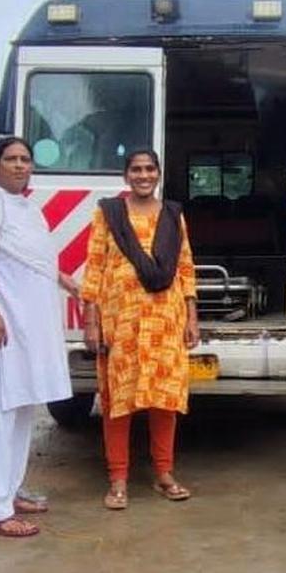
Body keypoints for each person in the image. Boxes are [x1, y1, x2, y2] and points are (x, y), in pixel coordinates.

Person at [0, 137, 78, 538]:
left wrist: (63, 279)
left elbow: (28, 256)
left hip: (29, 327)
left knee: (22, 407)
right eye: (12, 159)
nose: (20, 166)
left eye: (26, 160)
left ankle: (10, 491)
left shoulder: (24, 206)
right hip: (2, 325)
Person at [80, 148, 199, 510]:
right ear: (126, 175)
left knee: (165, 399)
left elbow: (185, 266)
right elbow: (95, 266)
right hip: (122, 323)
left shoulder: (173, 215)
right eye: (136, 169)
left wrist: (192, 316)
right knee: (119, 402)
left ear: (158, 174)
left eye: (149, 169)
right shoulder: (109, 214)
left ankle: (164, 474)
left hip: (166, 320)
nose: (143, 175)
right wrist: (91, 319)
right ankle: (118, 479)